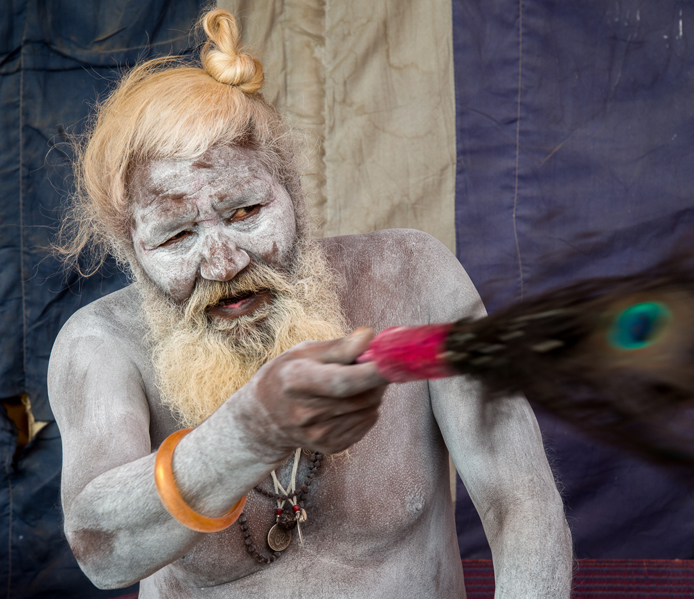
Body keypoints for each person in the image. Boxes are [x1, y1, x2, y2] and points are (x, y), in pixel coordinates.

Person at [48, 9, 571, 598]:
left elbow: (520, 503)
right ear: (132, 252)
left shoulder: (414, 277)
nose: (223, 264)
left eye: (246, 211)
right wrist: (250, 432)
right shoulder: (99, 343)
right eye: (175, 237)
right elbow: (101, 554)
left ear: (293, 193)